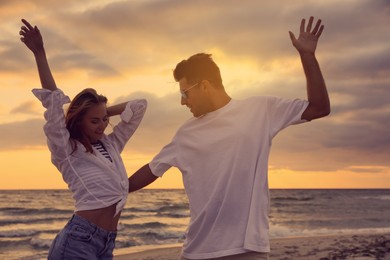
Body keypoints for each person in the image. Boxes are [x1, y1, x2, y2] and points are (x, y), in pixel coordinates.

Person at [127, 16, 330, 260]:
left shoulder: (261, 110)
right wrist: (110, 189)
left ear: (204, 86)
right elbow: (150, 170)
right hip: (198, 252)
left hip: (248, 251)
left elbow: (319, 108)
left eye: (184, 93)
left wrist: (307, 56)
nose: (182, 101)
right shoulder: (186, 134)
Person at [19, 19, 147, 259]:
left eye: (104, 120)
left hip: (106, 243)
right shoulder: (66, 150)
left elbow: (139, 106)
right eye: (94, 121)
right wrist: (40, 53)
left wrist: (100, 112)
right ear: (79, 120)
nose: (102, 126)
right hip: (79, 241)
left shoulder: (111, 144)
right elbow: (54, 105)